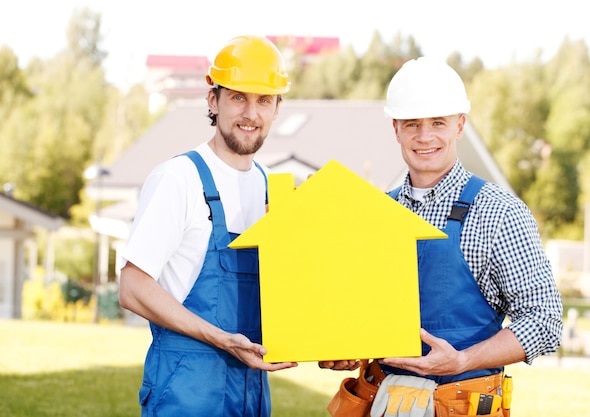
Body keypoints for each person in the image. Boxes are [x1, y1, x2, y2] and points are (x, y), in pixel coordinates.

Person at [320, 57, 563, 416]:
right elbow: (363, 312)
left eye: (438, 122)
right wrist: (345, 347)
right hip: (383, 401)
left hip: (459, 402)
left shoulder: (498, 212)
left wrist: (462, 360)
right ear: (396, 129)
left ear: (460, 125)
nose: (424, 136)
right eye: (412, 123)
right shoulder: (375, 213)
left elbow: (544, 320)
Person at [118, 35, 297, 417]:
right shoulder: (179, 178)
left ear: (278, 108)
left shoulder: (273, 190)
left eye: (264, 99)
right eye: (238, 97)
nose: (251, 112)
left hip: (252, 392)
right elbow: (132, 288)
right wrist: (220, 338)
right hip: (188, 391)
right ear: (213, 100)